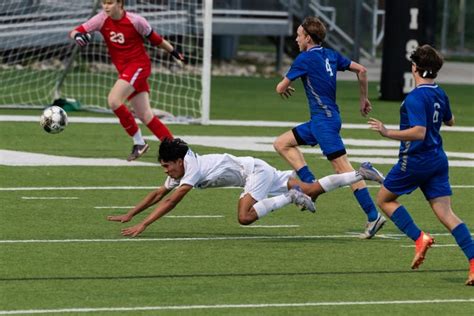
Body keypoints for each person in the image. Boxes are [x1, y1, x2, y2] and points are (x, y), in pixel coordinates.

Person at [107, 138, 385, 237]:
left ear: (178, 161)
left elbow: (171, 202)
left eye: (167, 166)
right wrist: (131, 214)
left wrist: (144, 225)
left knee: (244, 215)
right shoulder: (182, 167)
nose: (166, 171)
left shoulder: (190, 169)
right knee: (311, 189)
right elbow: (159, 194)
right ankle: (359, 173)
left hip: (253, 171)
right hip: (257, 169)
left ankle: (290, 197)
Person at [368, 45, 474, 286]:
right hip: (438, 160)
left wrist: (386, 132)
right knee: (447, 215)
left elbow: (418, 132)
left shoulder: (415, 97)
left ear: (415, 67)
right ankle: (473, 263)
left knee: (384, 199)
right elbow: (451, 121)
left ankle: (419, 238)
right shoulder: (439, 93)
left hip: (415, 161)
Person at [273, 16, 385, 239]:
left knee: (344, 169)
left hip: (323, 123)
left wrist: (283, 88)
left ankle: (373, 215)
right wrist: (363, 99)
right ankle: (310, 186)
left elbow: (280, 87)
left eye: (298, 35)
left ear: (308, 37)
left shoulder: (304, 59)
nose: (296, 39)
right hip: (322, 121)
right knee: (282, 143)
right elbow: (361, 70)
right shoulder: (331, 55)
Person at [70, 0, 184, 161]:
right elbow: (75, 31)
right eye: (104, 3)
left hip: (139, 66)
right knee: (146, 115)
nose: (106, 6)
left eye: (110, 2)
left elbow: (156, 39)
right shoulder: (101, 19)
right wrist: (78, 36)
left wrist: (174, 51)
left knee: (114, 101)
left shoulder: (136, 21)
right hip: (126, 71)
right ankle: (178, 151)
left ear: (120, 3)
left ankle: (139, 142)